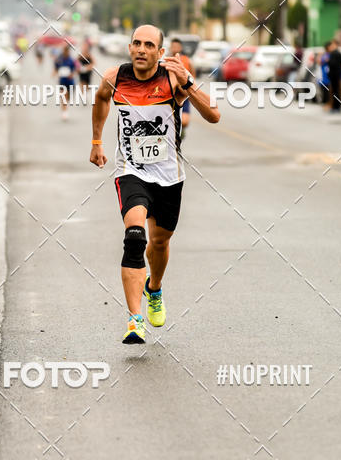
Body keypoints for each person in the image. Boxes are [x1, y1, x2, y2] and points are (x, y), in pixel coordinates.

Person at [90, 24, 220, 345]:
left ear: (160, 53)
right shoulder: (114, 78)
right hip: (131, 170)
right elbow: (101, 99)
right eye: (136, 43)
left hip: (169, 176)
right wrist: (96, 140)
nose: (141, 49)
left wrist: (188, 83)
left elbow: (214, 115)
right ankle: (135, 320)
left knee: (158, 244)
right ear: (129, 47)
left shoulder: (173, 78)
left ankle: (155, 288)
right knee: (135, 236)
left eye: (149, 45)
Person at [168, 38, 195, 138]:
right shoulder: (166, 60)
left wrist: (189, 87)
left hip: (183, 93)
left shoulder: (186, 60)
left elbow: (192, 75)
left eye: (177, 46)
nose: (175, 48)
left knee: (185, 121)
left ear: (180, 48)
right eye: (173, 46)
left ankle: (180, 131)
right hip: (170, 94)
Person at [54, 44, 76, 120]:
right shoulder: (59, 59)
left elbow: (75, 69)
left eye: (66, 51)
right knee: (63, 96)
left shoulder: (71, 60)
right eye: (64, 51)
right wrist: (56, 73)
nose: (65, 52)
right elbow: (56, 68)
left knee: (68, 98)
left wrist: (72, 74)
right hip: (62, 81)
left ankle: (65, 109)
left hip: (70, 82)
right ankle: (64, 112)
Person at [327, 39, 341, 112]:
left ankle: (335, 107)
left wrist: (328, 61)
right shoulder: (338, 53)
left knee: (335, 91)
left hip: (334, 75)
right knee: (336, 91)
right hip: (337, 75)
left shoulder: (334, 54)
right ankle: (336, 107)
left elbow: (333, 64)